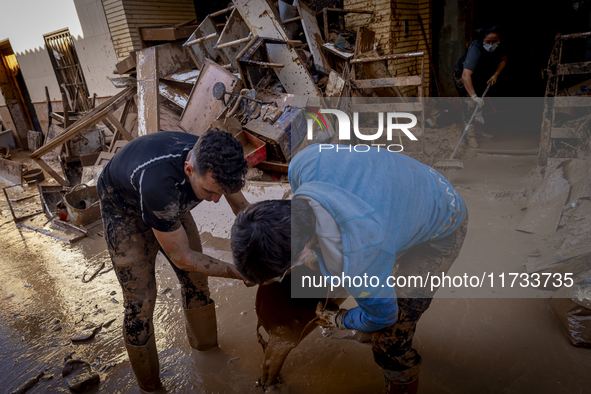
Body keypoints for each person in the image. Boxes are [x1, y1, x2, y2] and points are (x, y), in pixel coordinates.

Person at [231, 144, 468, 394]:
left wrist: (339, 318)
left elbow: (385, 315)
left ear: (301, 254)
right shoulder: (304, 163)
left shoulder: (358, 260)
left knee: (390, 341)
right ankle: (366, 329)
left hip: (443, 220)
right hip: (406, 185)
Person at [97, 129, 249, 392]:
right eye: (209, 192)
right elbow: (184, 258)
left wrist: (270, 248)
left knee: (197, 283)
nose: (215, 201)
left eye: (221, 192)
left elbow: (243, 210)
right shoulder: (159, 184)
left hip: (170, 205)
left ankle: (209, 352)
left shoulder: (217, 162)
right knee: (140, 305)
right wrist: (238, 272)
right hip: (125, 211)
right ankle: (151, 386)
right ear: (189, 168)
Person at [453, 26, 507, 147]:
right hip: (463, 76)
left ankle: (479, 130)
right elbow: (465, 76)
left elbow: (503, 60)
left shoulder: (500, 46)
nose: (491, 44)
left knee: (481, 102)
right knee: (470, 103)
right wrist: (473, 96)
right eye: (488, 41)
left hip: (480, 75)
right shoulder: (475, 50)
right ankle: (470, 135)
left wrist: (496, 74)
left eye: (494, 41)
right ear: (483, 40)